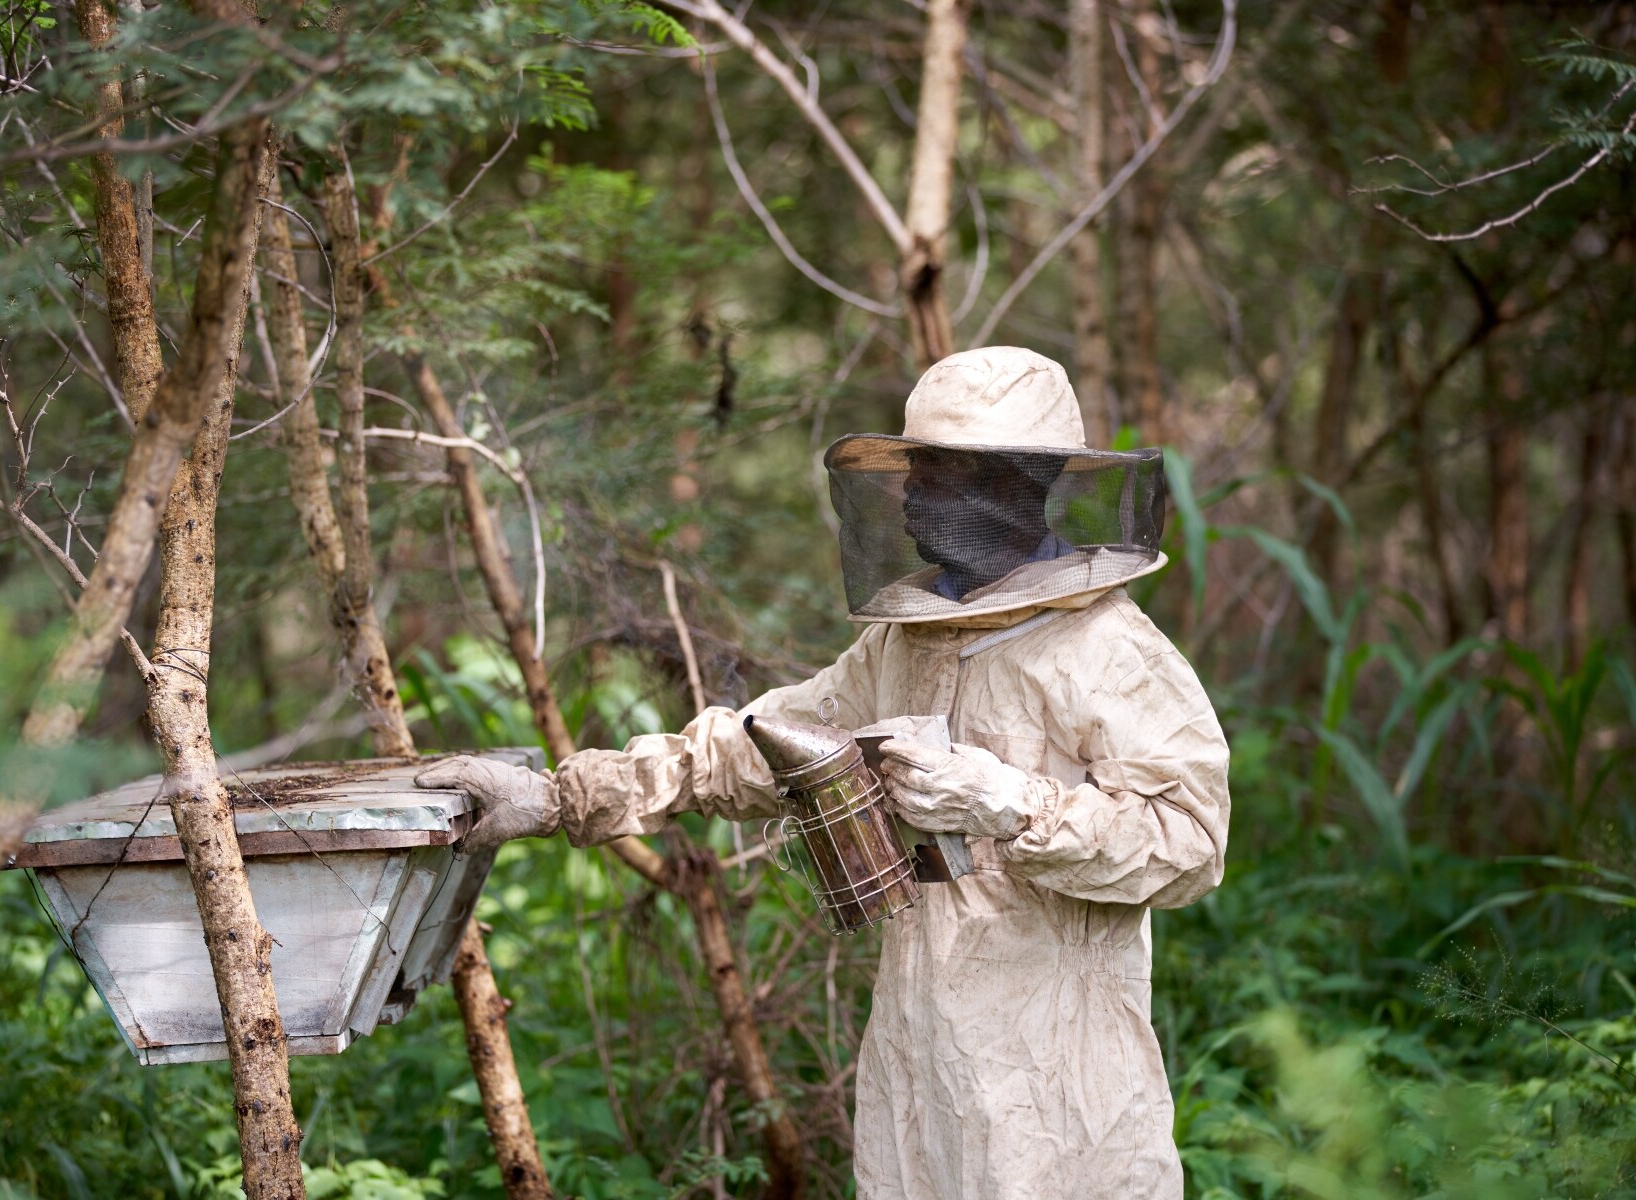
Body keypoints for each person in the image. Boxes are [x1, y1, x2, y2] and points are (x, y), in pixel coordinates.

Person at [418, 346, 1230, 1199]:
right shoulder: (903, 640)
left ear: (1017, 486)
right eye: (915, 470)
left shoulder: (1112, 650)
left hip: (1060, 1086)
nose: (915, 495)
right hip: (919, 1066)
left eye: (942, 474)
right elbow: (761, 742)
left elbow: (1189, 843)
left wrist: (1007, 802)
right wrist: (562, 796)